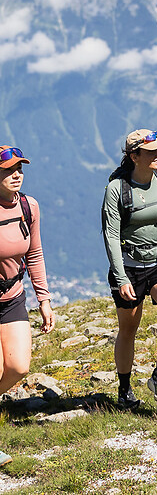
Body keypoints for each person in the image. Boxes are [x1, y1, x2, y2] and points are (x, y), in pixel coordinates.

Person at [102, 129, 157, 408]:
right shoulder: (117, 189)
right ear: (134, 156)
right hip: (130, 267)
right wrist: (120, 277)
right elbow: (111, 236)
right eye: (151, 151)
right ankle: (124, 389)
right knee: (128, 329)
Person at [0, 145, 55, 468]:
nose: (16, 174)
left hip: (13, 296)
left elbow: (34, 254)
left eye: (19, 168)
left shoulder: (28, 207)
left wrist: (44, 299)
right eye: (8, 170)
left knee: (18, 367)